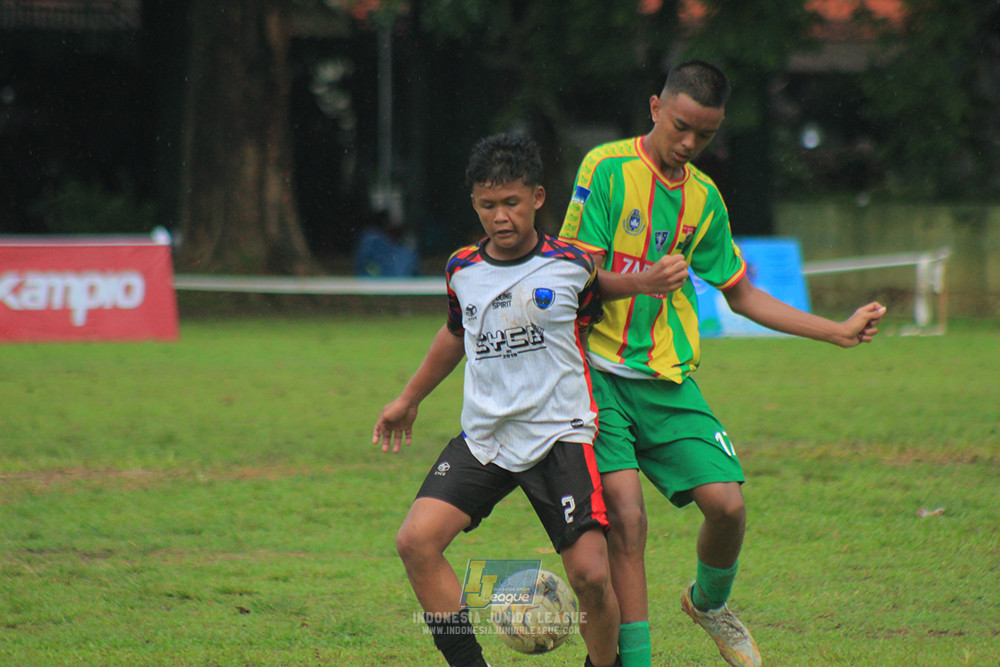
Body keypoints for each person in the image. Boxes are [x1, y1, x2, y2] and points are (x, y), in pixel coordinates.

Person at [558, 60, 887, 667]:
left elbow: (741, 292)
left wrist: (835, 331)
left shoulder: (705, 199)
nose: (688, 144)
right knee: (627, 520)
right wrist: (643, 280)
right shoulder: (605, 170)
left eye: (704, 136)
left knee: (728, 504)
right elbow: (573, 278)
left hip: (667, 378)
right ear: (656, 107)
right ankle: (637, 661)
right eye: (681, 127)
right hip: (595, 372)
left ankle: (709, 604)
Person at [372, 133, 622, 667]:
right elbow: (455, 334)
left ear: (536, 197)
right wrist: (407, 399)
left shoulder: (574, 266)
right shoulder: (462, 268)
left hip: (560, 434)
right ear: (474, 205)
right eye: (488, 205)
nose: (500, 217)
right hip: (485, 437)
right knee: (416, 542)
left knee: (591, 577)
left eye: (511, 202)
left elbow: (602, 324)